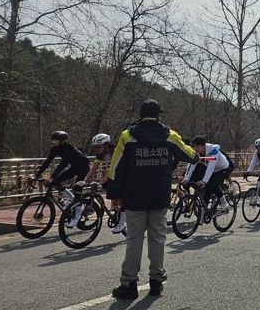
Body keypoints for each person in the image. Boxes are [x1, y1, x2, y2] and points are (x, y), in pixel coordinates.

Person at [108, 99, 199, 299]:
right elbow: (192, 156)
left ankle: (128, 284)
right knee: (157, 239)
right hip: (159, 196)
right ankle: (156, 281)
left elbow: (115, 168)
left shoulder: (127, 136)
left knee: (134, 240)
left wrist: (114, 194)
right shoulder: (170, 135)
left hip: (134, 197)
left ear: (141, 115)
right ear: (158, 115)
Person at [32, 131, 90, 227]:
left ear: (62, 141)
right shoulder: (55, 149)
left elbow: (63, 164)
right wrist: (36, 175)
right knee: (55, 183)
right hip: (74, 167)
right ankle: (71, 198)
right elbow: (47, 162)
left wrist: (51, 177)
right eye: (53, 140)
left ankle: (77, 217)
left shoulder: (69, 148)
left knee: (77, 190)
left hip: (84, 167)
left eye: (56, 140)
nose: (54, 142)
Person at [84, 133, 126, 234]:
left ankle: (122, 222)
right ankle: (115, 206)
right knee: (109, 189)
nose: (96, 149)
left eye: (98, 147)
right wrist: (84, 181)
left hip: (123, 173)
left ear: (106, 145)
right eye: (95, 147)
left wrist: (100, 182)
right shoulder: (101, 154)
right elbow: (93, 169)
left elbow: (110, 171)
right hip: (114, 174)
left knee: (123, 196)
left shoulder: (115, 151)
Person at [182, 136, 232, 219]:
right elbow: (192, 165)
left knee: (213, 184)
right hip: (213, 170)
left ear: (201, 146)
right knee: (207, 191)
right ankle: (203, 215)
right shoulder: (197, 152)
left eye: (196, 147)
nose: (194, 149)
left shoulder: (213, 150)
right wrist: (186, 178)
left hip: (223, 168)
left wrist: (204, 181)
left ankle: (224, 204)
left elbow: (210, 167)